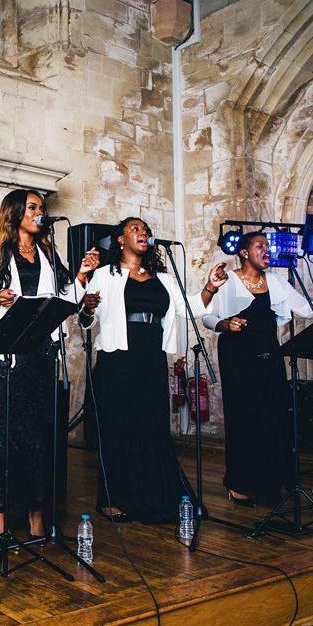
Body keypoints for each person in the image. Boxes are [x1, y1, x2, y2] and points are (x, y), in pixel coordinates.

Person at [79, 217, 228, 523]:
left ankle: (159, 493)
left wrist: (210, 288)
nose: (143, 233)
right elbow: (85, 321)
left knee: (152, 426)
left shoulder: (164, 278)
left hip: (150, 356)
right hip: (118, 356)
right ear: (120, 239)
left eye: (145, 230)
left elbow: (190, 308)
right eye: (135, 229)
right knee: (118, 427)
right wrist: (88, 309)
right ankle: (111, 498)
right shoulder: (105, 274)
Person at [0, 189, 99, 539]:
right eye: (33, 208)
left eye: (42, 208)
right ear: (15, 213)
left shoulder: (47, 254)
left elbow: (62, 302)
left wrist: (82, 277)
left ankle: (36, 512)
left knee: (39, 439)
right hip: (9, 356)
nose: (40, 212)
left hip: (42, 352)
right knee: (8, 438)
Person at [203, 231, 313, 505]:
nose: (267, 250)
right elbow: (206, 317)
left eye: (267, 246)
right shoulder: (228, 282)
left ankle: (271, 481)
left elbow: (309, 310)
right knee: (245, 418)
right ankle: (239, 483)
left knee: (273, 416)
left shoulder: (274, 281)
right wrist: (225, 324)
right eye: (260, 245)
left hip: (269, 354)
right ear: (244, 252)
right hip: (237, 356)